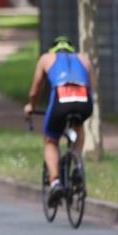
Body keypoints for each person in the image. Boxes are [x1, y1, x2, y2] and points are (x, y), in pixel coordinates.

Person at [23, 36, 95, 206]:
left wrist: (31, 106)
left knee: (51, 140)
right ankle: (77, 164)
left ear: (52, 49)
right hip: (84, 101)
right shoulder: (84, 59)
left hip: (61, 101)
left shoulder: (46, 58)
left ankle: (55, 182)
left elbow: (35, 91)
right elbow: (92, 87)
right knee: (79, 127)